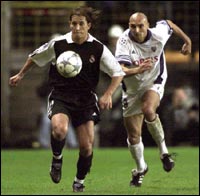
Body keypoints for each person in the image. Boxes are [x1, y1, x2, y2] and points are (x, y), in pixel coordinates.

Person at [9, 6, 124, 192]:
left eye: (81, 24)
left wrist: (108, 93)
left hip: (86, 100)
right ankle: (56, 159)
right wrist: (20, 74)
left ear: (89, 25)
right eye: (74, 23)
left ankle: (79, 181)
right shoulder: (59, 44)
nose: (77, 27)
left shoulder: (98, 48)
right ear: (70, 24)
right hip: (61, 96)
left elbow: (117, 73)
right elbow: (34, 57)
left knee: (86, 148)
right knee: (59, 129)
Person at [115, 12, 192, 187]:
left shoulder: (159, 34)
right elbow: (121, 69)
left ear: (147, 25)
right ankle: (141, 168)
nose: (136, 30)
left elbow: (170, 23)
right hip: (132, 89)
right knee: (134, 135)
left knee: (148, 109)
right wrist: (138, 70)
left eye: (140, 25)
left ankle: (164, 153)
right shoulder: (124, 41)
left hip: (154, 81)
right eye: (132, 26)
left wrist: (187, 41)